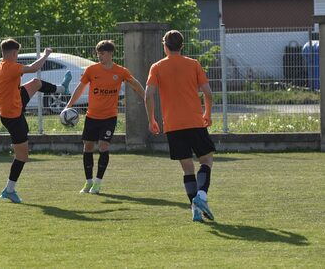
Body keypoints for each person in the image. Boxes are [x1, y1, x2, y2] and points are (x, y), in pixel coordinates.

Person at [0, 38, 72, 203]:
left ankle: (62, 88)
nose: (17, 56)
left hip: (12, 106)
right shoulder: (11, 67)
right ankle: (9, 190)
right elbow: (33, 67)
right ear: (13, 53)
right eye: (17, 53)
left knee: (35, 83)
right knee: (22, 156)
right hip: (13, 116)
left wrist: (2, 99)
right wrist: (46, 54)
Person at [145, 30, 216, 222]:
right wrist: (207, 113)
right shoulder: (193, 64)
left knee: (187, 169)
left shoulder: (157, 67)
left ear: (165, 46)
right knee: (206, 161)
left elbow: (148, 95)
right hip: (194, 121)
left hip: (173, 125)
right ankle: (201, 197)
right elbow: (208, 93)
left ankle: (194, 209)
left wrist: (152, 119)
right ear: (182, 46)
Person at [65, 40, 145, 194]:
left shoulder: (121, 71)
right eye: (98, 54)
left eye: (102, 53)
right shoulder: (91, 70)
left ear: (110, 54)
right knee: (88, 146)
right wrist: (69, 105)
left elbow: (134, 84)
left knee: (103, 146)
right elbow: (80, 88)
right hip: (92, 116)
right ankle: (88, 182)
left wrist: (146, 97)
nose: (99, 56)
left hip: (109, 117)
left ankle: (98, 183)